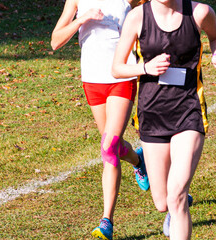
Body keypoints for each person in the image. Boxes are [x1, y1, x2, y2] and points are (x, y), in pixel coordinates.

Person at [111, 0, 216, 239]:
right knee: (162, 202)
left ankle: (179, 199)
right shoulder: (137, 17)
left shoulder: (199, 12)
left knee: (175, 197)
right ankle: (177, 201)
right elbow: (117, 68)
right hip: (152, 114)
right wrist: (146, 68)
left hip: (188, 111)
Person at [51, 0, 150, 239]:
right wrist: (81, 19)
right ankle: (139, 161)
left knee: (108, 147)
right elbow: (55, 41)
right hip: (92, 80)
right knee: (112, 146)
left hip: (121, 76)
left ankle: (107, 221)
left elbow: (153, 18)